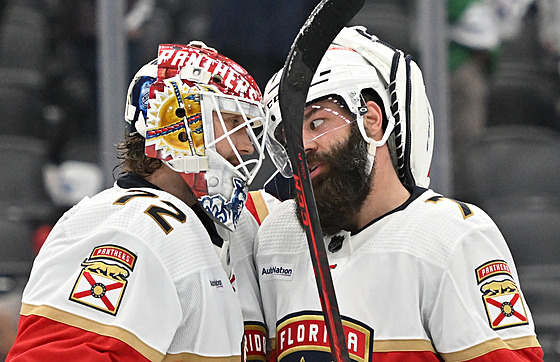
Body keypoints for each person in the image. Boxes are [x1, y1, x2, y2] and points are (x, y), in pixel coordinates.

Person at [257, 26, 544, 361]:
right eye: (289, 136)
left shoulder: (451, 236)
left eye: (317, 123)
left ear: (371, 120)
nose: (302, 145)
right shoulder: (276, 236)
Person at [7, 41, 278, 361]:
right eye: (234, 122)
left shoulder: (200, 228)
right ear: (179, 121)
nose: (247, 146)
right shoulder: (134, 227)